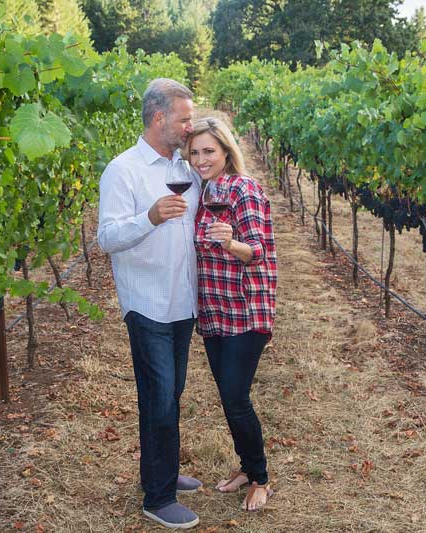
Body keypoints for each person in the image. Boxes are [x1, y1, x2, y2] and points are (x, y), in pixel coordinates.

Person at [97, 78, 203, 529]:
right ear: (159, 118)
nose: (190, 126)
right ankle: (158, 499)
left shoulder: (184, 166)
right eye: (184, 119)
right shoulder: (122, 170)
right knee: (159, 398)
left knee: (170, 394)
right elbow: (107, 237)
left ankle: (161, 471)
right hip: (147, 302)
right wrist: (150, 217)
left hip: (182, 299)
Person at [186, 117, 277, 512]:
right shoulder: (203, 191)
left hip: (244, 310)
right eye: (194, 152)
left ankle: (260, 478)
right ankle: (246, 466)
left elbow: (258, 250)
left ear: (226, 150)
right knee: (228, 396)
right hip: (214, 311)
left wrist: (231, 243)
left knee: (237, 398)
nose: (201, 159)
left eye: (209, 151)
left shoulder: (244, 189)